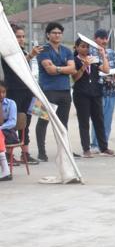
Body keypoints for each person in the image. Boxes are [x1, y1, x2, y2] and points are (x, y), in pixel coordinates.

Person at [34, 22, 76, 161]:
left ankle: (64, 151)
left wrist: (57, 68)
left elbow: (73, 69)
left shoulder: (67, 50)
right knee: (42, 121)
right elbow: (49, 70)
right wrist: (63, 68)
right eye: (54, 32)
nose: (57, 35)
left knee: (63, 123)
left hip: (64, 91)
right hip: (46, 91)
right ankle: (41, 152)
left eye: (59, 33)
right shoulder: (42, 49)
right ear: (48, 34)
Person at [1, 24, 43, 163]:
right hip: (14, 90)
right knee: (13, 121)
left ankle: (25, 154)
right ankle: (8, 153)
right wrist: (31, 55)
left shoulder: (24, 52)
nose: (21, 39)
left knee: (27, 121)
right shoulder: (7, 52)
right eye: (18, 36)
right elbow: (18, 66)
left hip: (28, 91)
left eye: (23, 36)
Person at [70, 38, 115, 158]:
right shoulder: (74, 60)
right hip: (81, 94)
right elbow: (75, 78)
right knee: (84, 122)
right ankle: (86, 149)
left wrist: (103, 56)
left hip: (95, 93)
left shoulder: (93, 59)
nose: (86, 49)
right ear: (76, 48)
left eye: (87, 47)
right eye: (83, 46)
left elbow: (106, 70)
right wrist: (84, 66)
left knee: (99, 120)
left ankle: (103, 147)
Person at [90, 29, 115, 153]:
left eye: (106, 38)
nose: (105, 40)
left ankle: (104, 144)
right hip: (97, 91)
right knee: (97, 118)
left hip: (111, 91)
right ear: (95, 38)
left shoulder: (112, 53)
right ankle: (94, 144)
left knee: (107, 120)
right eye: (101, 38)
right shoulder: (90, 52)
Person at [0, 81, 15, 181]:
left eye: (3, 92)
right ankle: (6, 171)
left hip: (8, 132)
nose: (1, 95)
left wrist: (0, 127)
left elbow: (12, 122)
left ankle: (5, 170)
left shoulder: (11, 103)